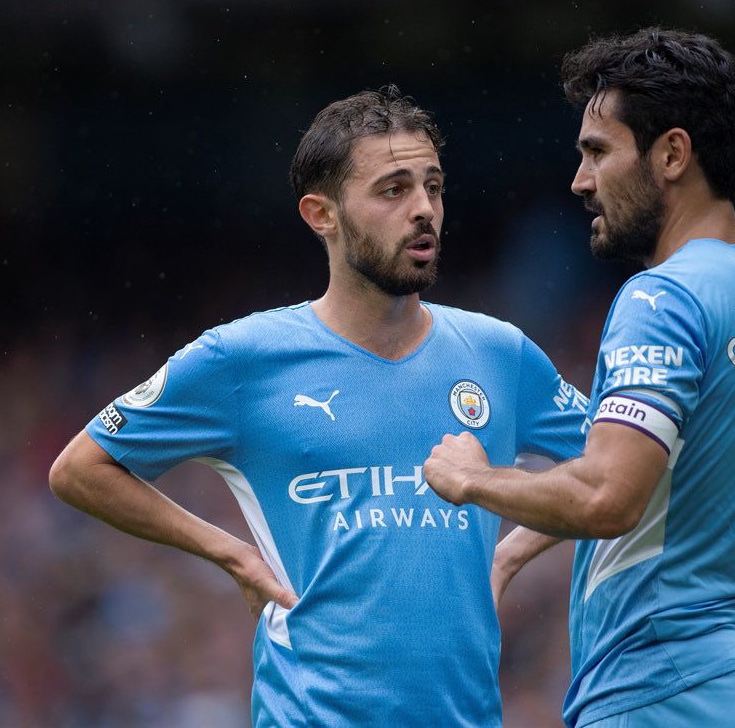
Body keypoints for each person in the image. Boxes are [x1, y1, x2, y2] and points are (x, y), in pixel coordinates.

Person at [48, 85, 589, 727]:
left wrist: (510, 552)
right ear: (320, 215)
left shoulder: (502, 354)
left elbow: (621, 468)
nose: (424, 210)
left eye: (433, 187)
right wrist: (231, 554)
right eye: (394, 190)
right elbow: (80, 469)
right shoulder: (241, 358)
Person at [424, 28, 735, 728]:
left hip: (661, 696)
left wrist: (472, 477)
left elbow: (610, 496)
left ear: (673, 154)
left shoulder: (663, 297)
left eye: (597, 152)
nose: (580, 180)